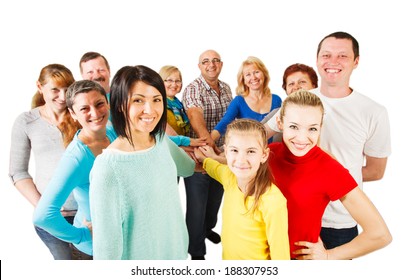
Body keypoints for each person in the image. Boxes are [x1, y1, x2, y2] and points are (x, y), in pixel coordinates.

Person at [268, 89, 392, 259]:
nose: (302, 138)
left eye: (312, 129)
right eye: (294, 126)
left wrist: (328, 256)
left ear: (320, 127)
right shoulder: (267, 155)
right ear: (279, 123)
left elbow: (380, 234)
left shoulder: (329, 168)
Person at [89, 65, 195, 260]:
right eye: (138, 100)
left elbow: (187, 168)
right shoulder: (108, 167)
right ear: (120, 104)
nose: (150, 110)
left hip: (177, 255)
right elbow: (106, 252)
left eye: (156, 100)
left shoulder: (160, 139)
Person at [33, 80, 115, 259]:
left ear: (107, 103)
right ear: (73, 113)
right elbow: (43, 215)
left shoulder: (111, 133)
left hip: (118, 242)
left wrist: (183, 141)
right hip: (94, 251)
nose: (95, 113)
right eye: (84, 108)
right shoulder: (76, 157)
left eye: (99, 104)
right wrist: (82, 235)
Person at [8, 64, 80, 260]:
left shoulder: (82, 115)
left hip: (87, 214)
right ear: (40, 87)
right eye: (55, 90)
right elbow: (18, 172)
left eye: (67, 89)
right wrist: (44, 207)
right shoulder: (27, 121)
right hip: (51, 218)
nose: (63, 96)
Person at [194, 119, 290, 260]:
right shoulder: (229, 176)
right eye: (234, 150)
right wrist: (203, 158)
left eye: (250, 151)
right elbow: (213, 167)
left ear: (264, 155)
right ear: (226, 152)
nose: (241, 159)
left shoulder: (273, 201)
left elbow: (280, 255)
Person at [182, 49, 233, 260]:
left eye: (215, 61)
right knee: (197, 206)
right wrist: (209, 145)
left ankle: (207, 229)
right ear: (199, 66)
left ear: (221, 64)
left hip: (223, 157)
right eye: (206, 62)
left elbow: (231, 118)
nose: (211, 65)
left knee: (214, 202)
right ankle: (196, 252)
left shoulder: (227, 88)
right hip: (200, 158)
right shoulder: (193, 88)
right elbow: (195, 117)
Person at [211, 56, 282, 143]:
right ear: (243, 80)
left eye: (256, 72)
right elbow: (224, 123)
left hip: (272, 150)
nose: (253, 77)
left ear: (264, 74)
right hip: (247, 150)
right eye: (248, 74)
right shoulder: (239, 101)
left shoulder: (276, 100)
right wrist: (208, 142)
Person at [260, 63, 318, 130]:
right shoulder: (275, 113)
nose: (296, 87)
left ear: (314, 86)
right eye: (291, 84)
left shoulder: (326, 110)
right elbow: (254, 134)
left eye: (302, 82)